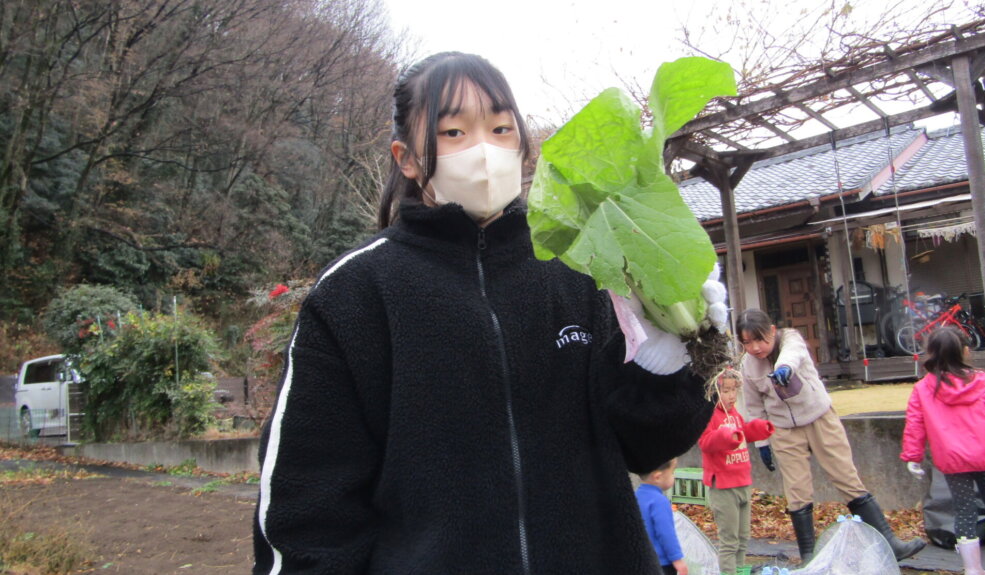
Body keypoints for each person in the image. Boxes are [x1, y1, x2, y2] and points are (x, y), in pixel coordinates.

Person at [252, 51, 724, 574]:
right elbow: (307, 505)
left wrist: (670, 359)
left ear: (523, 146)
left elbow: (649, 445)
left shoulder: (579, 265)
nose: (484, 151)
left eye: (501, 129)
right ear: (407, 158)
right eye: (453, 132)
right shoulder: (357, 291)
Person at [735, 308, 925, 564]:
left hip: (819, 417)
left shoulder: (790, 338)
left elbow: (792, 354)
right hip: (783, 428)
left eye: (760, 339)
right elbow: (754, 405)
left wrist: (784, 369)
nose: (755, 348)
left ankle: (890, 542)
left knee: (846, 476)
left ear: (772, 331)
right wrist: (762, 442)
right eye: (747, 343)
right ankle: (809, 556)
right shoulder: (748, 365)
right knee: (797, 490)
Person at [901, 327, 985, 574]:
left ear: (930, 353)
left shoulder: (923, 389)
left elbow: (915, 424)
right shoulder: (984, 382)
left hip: (952, 460)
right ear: (965, 351)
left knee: (964, 510)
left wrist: (913, 456)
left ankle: (972, 568)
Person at [698, 367, 775, 575]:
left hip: (742, 481)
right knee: (729, 539)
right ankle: (728, 571)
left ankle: (740, 569)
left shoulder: (735, 415)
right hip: (723, 485)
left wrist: (759, 429)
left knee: (743, 536)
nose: (732, 396)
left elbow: (743, 433)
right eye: (726, 391)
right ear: (714, 392)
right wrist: (726, 436)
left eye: (734, 390)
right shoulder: (708, 416)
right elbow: (705, 442)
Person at [636, 457, 690, 575]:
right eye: (672, 472)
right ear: (658, 477)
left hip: (642, 560)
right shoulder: (660, 501)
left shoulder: (635, 496)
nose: (673, 476)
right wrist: (677, 558)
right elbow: (666, 532)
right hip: (662, 563)